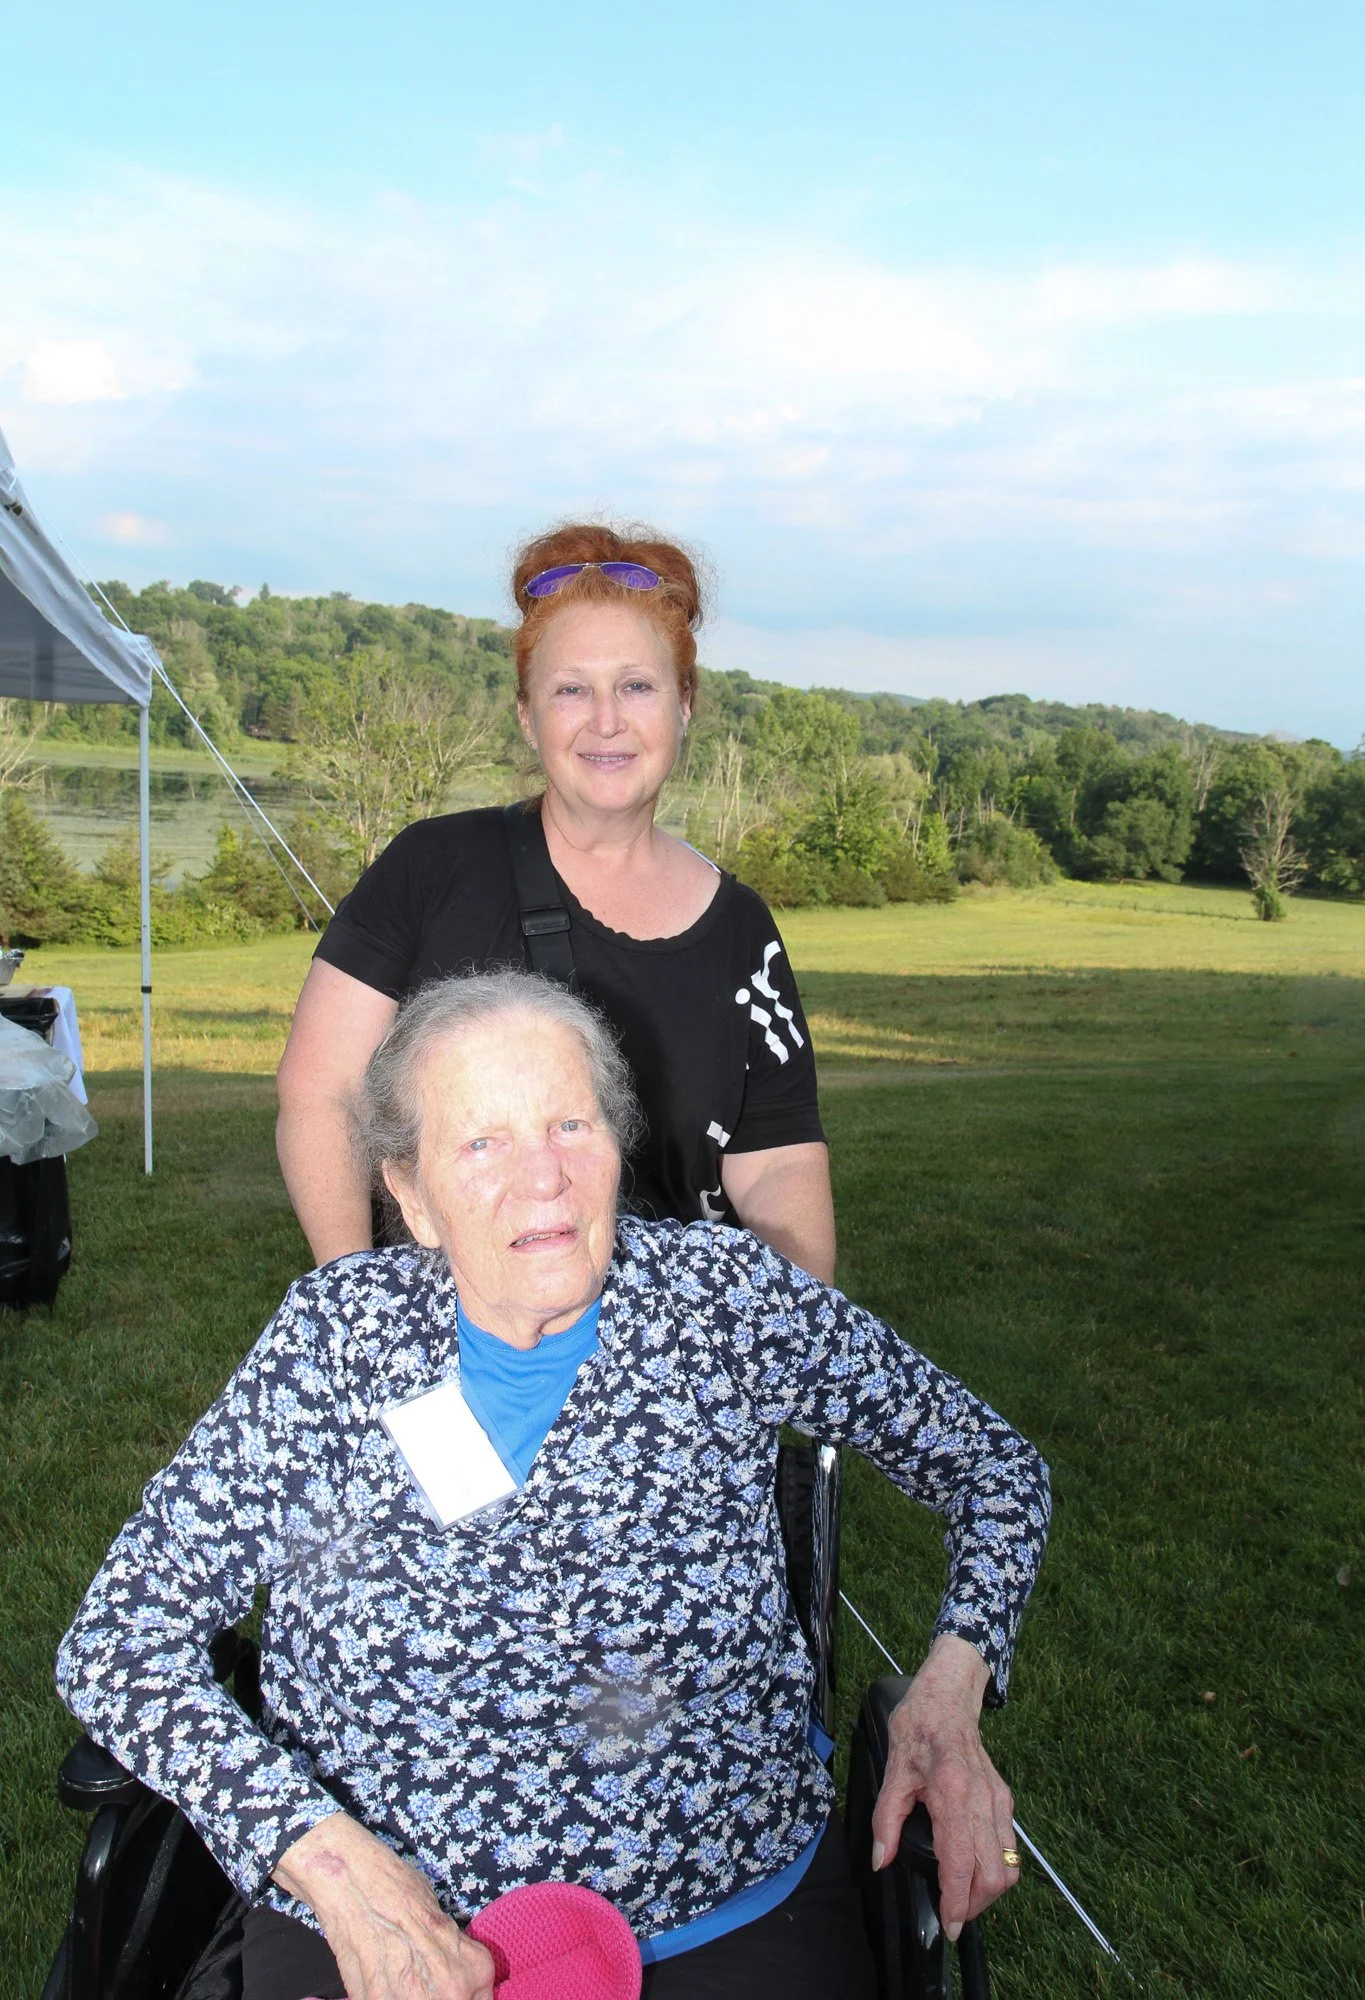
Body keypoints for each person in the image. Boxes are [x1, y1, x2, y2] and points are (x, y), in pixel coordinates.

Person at [59, 972, 1050, 2000]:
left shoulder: (726, 1299)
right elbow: (118, 1641)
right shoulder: (335, 1337)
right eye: (481, 1142)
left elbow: (996, 1468)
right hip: (382, 1928)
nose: (545, 1179)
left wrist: (951, 1691)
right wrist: (326, 1859)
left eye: (571, 1123)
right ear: (409, 1192)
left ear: (619, 1144)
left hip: (727, 1918)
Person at [276, 523, 835, 1279]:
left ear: (684, 705)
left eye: (636, 685)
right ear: (525, 715)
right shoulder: (433, 868)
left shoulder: (742, 932)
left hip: (666, 1361)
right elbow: (321, 1090)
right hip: (453, 1337)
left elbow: (777, 1166)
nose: (606, 719)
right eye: (571, 689)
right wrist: (357, 1303)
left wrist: (783, 1349)